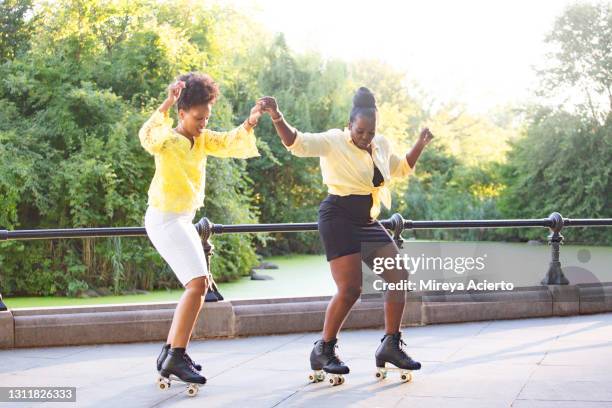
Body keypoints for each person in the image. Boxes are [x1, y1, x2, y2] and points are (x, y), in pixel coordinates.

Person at [259, 87, 433, 383]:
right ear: (350, 124)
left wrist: (419, 143)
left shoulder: (381, 145)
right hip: (337, 218)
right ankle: (323, 349)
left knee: (398, 276)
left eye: (370, 132)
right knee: (351, 289)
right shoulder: (334, 141)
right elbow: (296, 142)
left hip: (367, 221)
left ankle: (390, 346)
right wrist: (277, 116)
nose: (365, 138)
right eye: (361, 131)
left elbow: (401, 168)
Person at [139, 72, 261, 387]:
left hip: (181, 218)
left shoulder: (203, 138)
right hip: (165, 217)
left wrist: (249, 123)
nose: (203, 123)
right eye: (197, 117)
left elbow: (230, 142)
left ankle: (171, 351)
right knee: (197, 283)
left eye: (206, 118)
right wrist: (167, 101)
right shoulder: (167, 139)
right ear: (181, 113)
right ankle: (175, 354)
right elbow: (147, 136)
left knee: (199, 284)